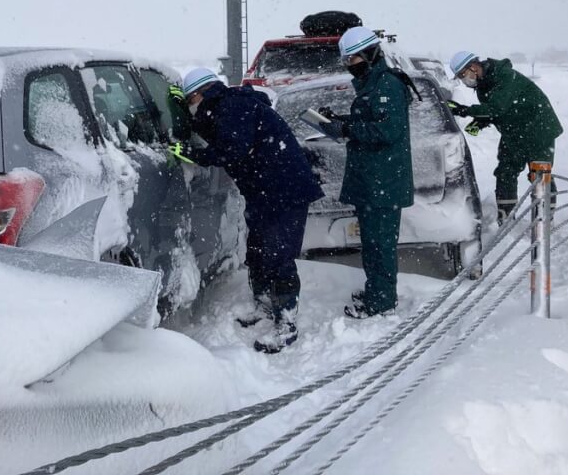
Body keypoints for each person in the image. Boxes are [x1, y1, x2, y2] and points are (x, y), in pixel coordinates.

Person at [169, 67, 322, 353]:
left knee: (278, 256)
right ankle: (264, 307)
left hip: (284, 191)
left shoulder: (234, 106)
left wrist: (192, 154)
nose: (190, 106)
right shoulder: (224, 106)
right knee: (258, 251)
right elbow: (218, 130)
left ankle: (286, 324)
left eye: (190, 100)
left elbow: (231, 148)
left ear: (202, 93)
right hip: (265, 191)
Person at [312, 27, 414, 319]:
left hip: (383, 181)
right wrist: (338, 120)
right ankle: (377, 290)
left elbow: (387, 130)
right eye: (346, 61)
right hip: (371, 181)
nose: (350, 65)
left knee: (380, 245)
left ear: (371, 53)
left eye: (354, 58)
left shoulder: (387, 85)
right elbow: (369, 120)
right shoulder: (373, 83)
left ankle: (382, 300)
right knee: (371, 242)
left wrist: (346, 129)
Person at [447, 51, 563, 222]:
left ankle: (544, 219)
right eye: (460, 77)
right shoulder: (482, 85)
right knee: (505, 173)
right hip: (514, 131)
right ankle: (505, 217)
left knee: (539, 173)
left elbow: (497, 108)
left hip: (539, 129)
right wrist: (481, 121)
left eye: (463, 74)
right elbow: (494, 111)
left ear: (473, 67)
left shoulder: (504, 77)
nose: (464, 80)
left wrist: (462, 110)